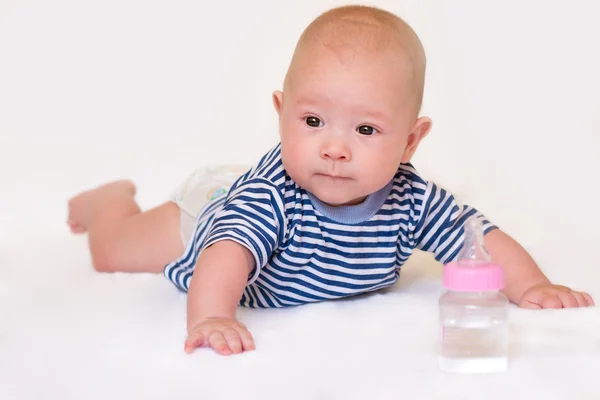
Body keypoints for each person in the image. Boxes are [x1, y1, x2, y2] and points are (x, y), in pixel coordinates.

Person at [67, 5, 595, 357]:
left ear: (411, 141)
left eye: (366, 129)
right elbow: (225, 256)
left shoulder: (413, 198)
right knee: (110, 252)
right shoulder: (268, 198)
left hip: (238, 215)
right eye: (313, 121)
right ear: (281, 112)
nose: (334, 148)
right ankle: (111, 200)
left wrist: (533, 287)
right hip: (205, 214)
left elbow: (480, 241)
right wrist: (209, 319)